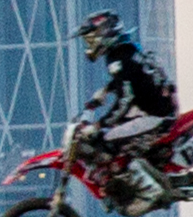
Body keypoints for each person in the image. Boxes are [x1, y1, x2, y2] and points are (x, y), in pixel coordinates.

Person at [69, 9, 179, 177]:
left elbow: (125, 100)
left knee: (106, 140)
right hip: (158, 109)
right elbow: (132, 79)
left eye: (91, 38)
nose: (89, 44)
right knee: (115, 132)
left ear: (104, 33)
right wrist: (105, 92)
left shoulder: (119, 57)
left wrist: (99, 124)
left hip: (154, 116)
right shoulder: (126, 51)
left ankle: (134, 182)